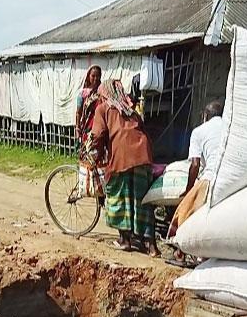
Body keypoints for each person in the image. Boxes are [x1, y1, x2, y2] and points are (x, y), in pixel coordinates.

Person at [90, 80, 159, 257]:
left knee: (118, 196)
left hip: (122, 154)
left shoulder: (103, 108)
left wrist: (94, 151)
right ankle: (151, 245)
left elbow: (98, 134)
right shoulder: (130, 109)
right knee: (142, 199)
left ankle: (125, 240)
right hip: (143, 153)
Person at [166, 100, 225, 267]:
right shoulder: (230, 128)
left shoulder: (199, 131)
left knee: (185, 213)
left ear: (205, 116)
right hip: (230, 179)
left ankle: (180, 253)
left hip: (210, 178)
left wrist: (189, 189)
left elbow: (194, 164)